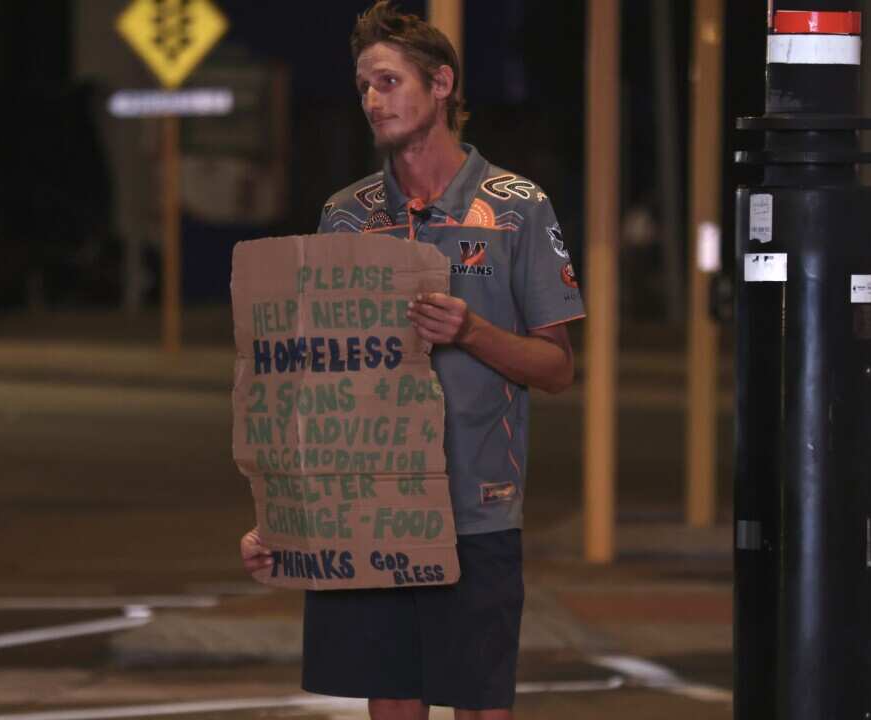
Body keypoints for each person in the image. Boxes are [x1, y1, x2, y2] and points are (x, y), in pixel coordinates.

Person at [240, 2, 584, 717]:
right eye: (365, 85)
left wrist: (470, 331)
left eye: (390, 82)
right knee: (391, 705)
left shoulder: (517, 208)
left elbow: (557, 369)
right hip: (374, 513)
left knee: (480, 706)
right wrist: (282, 518)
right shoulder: (346, 214)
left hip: (477, 517)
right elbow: (312, 387)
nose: (373, 99)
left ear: (442, 86)